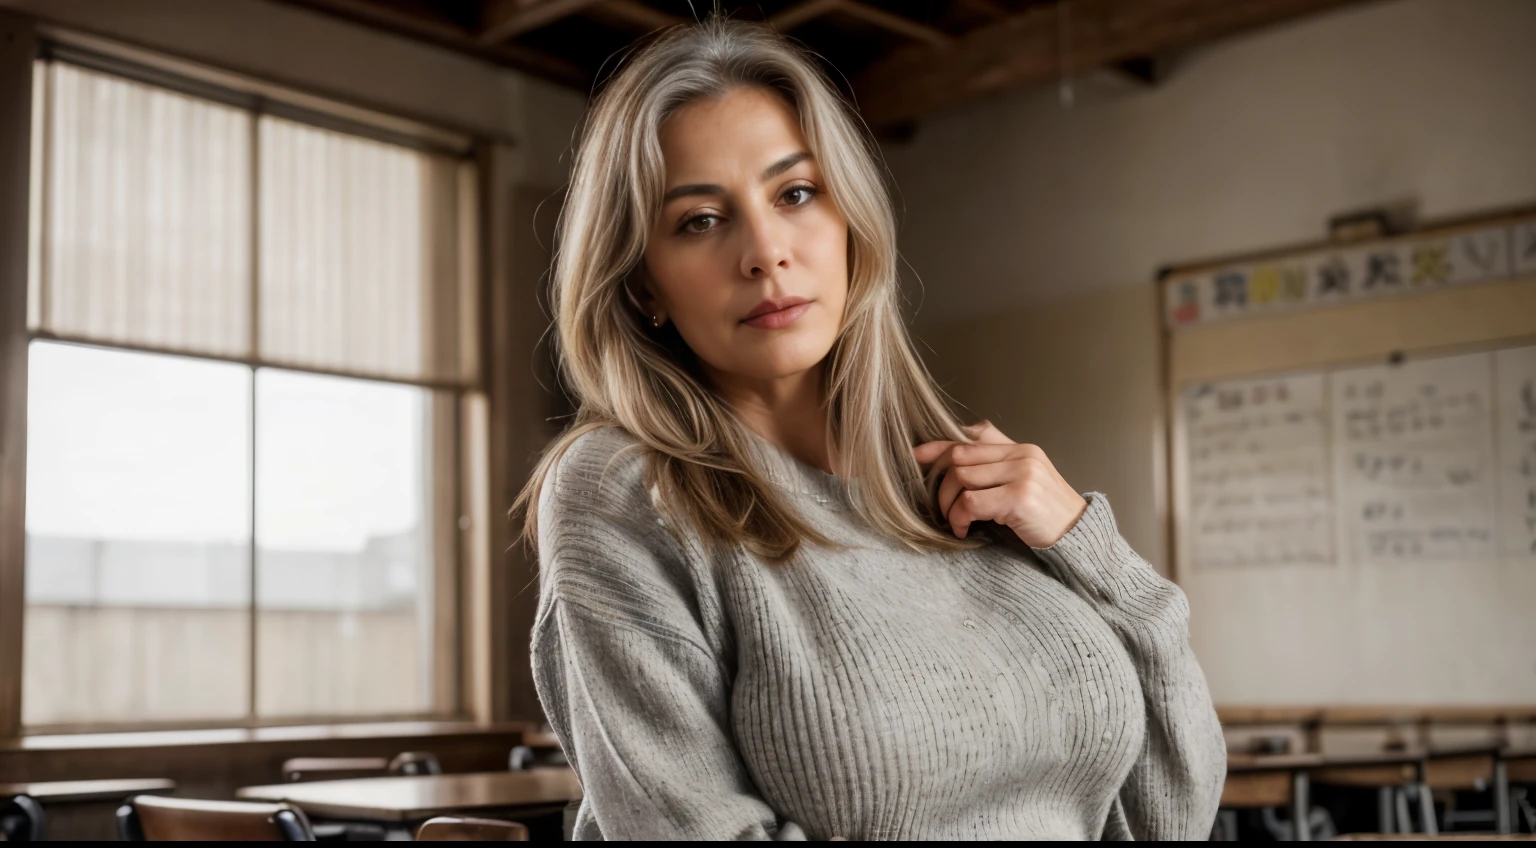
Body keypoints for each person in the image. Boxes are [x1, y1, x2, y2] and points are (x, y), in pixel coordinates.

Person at [514, 17, 1225, 841]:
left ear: (849, 220)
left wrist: (1086, 545)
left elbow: (1170, 820)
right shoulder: (622, 489)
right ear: (644, 287)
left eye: (796, 194)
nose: (766, 252)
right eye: (701, 221)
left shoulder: (968, 485)